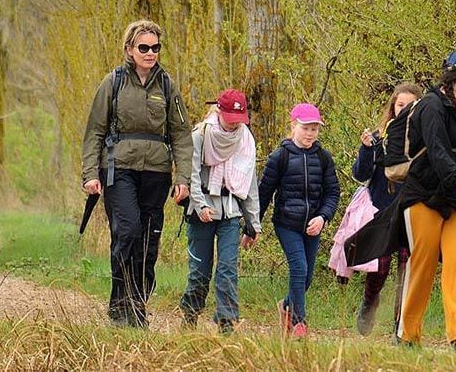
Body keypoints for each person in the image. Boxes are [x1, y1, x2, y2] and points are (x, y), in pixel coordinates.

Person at [344, 49, 456, 350]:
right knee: (422, 265)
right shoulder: (432, 106)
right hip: (422, 193)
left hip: (452, 196)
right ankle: (406, 336)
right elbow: (436, 151)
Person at [81, 19, 193, 328]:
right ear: (130, 49)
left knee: (148, 242)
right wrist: (90, 174)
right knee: (127, 232)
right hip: (119, 170)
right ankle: (120, 301)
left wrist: (183, 179)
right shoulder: (112, 82)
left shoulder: (167, 86)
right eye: (144, 47)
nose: (150, 53)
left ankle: (137, 306)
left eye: (155, 47)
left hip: (156, 174)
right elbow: (94, 132)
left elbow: (182, 136)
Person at [179, 89, 261, 334]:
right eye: (231, 117)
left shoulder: (245, 139)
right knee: (200, 272)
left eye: (240, 118)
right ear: (220, 112)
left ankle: (227, 323)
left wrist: (253, 223)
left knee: (227, 268)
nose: (236, 124)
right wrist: (200, 205)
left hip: (231, 212)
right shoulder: (201, 134)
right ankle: (190, 315)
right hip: (202, 210)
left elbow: (249, 182)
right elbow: (191, 173)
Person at [258, 103, 341, 338]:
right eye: (306, 128)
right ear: (293, 126)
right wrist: (252, 226)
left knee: (307, 277)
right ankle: (299, 324)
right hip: (286, 223)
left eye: (315, 129)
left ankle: (286, 305)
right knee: (299, 268)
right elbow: (264, 193)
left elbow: (332, 192)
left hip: (312, 226)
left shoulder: (323, 157)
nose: (310, 134)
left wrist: (323, 217)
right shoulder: (279, 157)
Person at [350, 83, 422, 336]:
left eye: (410, 106)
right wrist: (366, 149)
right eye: (400, 105)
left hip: (411, 212)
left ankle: (399, 327)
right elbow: (360, 174)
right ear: (392, 108)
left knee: (407, 270)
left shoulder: (424, 141)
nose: (404, 110)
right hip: (382, 211)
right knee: (379, 270)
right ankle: (369, 303)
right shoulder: (379, 138)